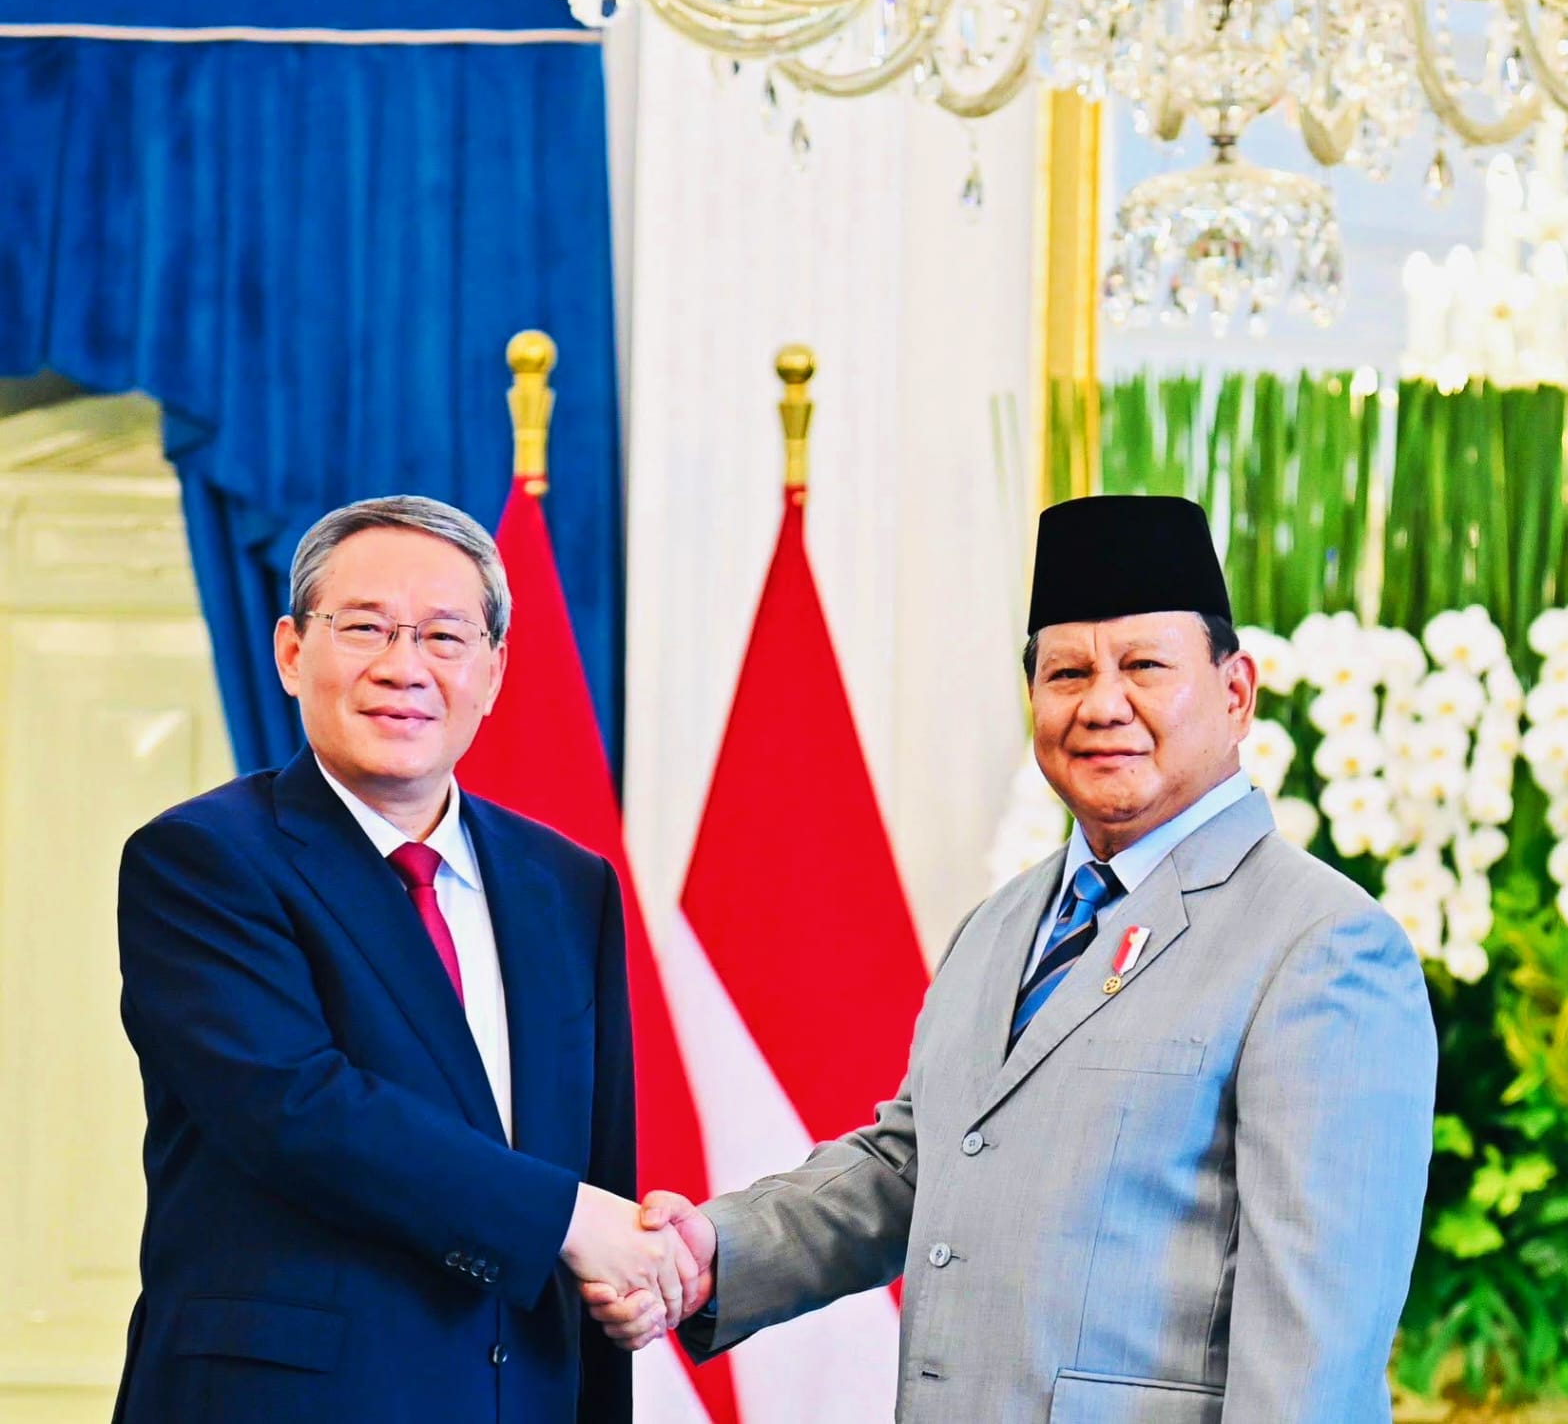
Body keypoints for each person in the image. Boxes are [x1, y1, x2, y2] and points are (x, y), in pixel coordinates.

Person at [587, 495, 1438, 1423]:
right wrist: (715, 1251)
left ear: (1237, 693)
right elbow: (920, 1163)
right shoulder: (999, 924)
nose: (1102, 704)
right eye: (1067, 672)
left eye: (1144, 666)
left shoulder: (1323, 947)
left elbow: (1314, 1365)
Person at [113, 495, 693, 1424]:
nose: (403, 666)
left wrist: (627, 1277)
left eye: (444, 636)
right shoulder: (201, 861)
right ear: (292, 652)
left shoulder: (566, 883)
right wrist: (570, 1220)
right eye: (364, 627)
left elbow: (596, 1160)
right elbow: (298, 1109)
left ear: (494, 671)